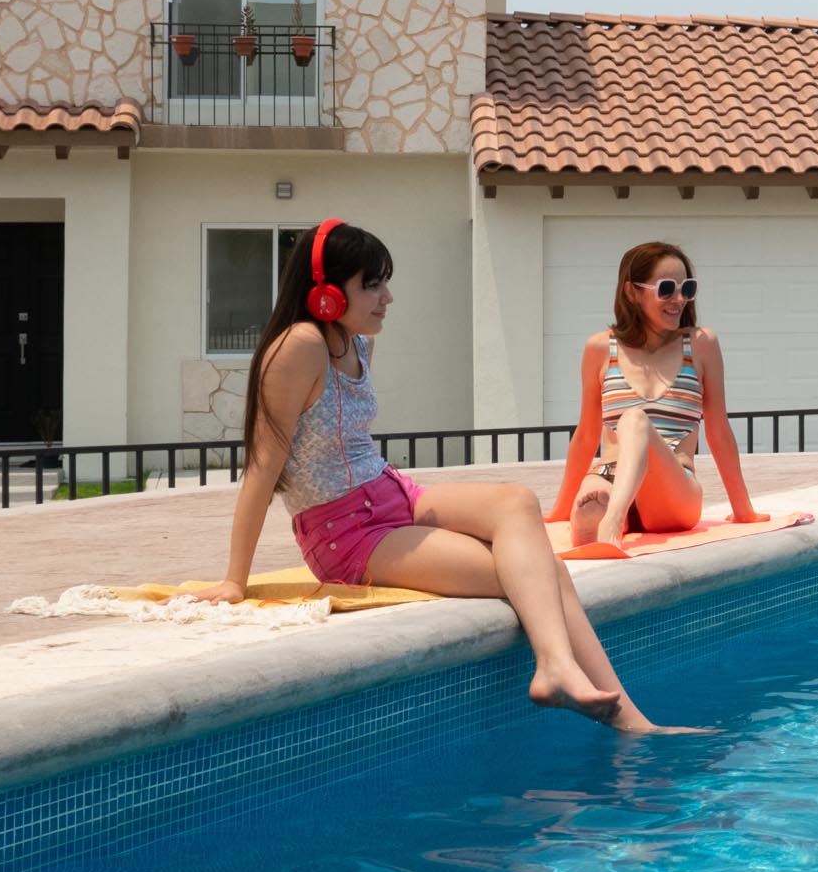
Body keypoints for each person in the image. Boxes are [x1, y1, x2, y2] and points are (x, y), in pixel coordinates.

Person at [181, 220, 685, 734]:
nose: (387, 297)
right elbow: (263, 466)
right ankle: (610, 707)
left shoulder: (357, 341)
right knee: (544, 575)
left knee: (517, 501)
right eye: (371, 285)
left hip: (391, 494)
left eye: (384, 282)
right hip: (346, 533)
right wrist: (235, 579)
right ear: (326, 294)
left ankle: (587, 688)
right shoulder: (299, 346)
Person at [551, 240, 767, 546]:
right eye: (667, 289)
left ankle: (613, 521)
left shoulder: (701, 344)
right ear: (632, 292)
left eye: (687, 289)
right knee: (590, 505)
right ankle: (601, 517)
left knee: (634, 421)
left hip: (673, 488)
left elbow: (718, 431)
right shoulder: (599, 348)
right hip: (609, 475)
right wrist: (559, 511)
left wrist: (743, 510)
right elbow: (586, 435)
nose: (679, 299)